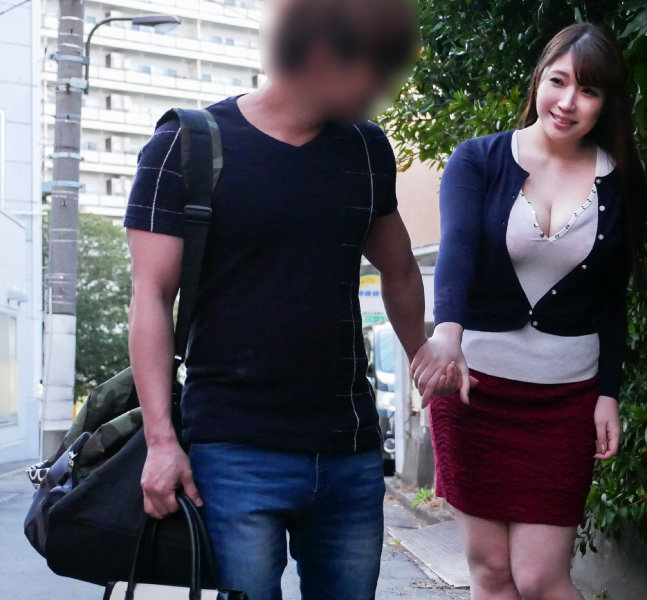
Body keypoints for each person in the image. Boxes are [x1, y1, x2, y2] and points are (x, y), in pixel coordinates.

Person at [124, 1, 452, 599]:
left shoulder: (365, 148)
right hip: (234, 449)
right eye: (375, 69)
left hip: (348, 449)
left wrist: (421, 353)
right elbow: (151, 294)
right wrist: (161, 441)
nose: (382, 87)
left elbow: (401, 267)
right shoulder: (187, 145)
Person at [414, 22, 647, 600]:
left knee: (542, 579)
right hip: (474, 391)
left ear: (606, 103)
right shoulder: (479, 159)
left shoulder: (619, 181)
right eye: (558, 81)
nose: (568, 102)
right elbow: (457, 250)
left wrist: (608, 393)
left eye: (588, 90)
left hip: (564, 401)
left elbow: (612, 299)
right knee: (492, 571)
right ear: (538, 80)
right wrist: (447, 334)